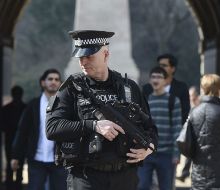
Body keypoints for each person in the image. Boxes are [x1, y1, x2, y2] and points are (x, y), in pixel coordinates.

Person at [45, 30, 157, 190]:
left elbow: (150, 127)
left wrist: (150, 147)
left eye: (89, 56)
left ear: (105, 54)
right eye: (80, 57)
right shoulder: (70, 90)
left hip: (125, 177)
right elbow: (52, 128)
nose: (83, 62)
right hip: (86, 177)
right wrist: (94, 125)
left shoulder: (129, 88)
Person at [11, 69, 67, 190]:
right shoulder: (33, 105)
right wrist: (15, 156)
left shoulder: (66, 105)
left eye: (57, 79)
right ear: (43, 83)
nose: (53, 82)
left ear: (60, 84)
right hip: (36, 159)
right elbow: (22, 131)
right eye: (50, 79)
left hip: (59, 161)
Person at [138, 66, 182, 190]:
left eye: (159, 77)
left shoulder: (173, 101)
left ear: (166, 81)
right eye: (153, 77)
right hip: (147, 152)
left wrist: (176, 154)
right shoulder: (145, 101)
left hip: (166, 154)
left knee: (166, 187)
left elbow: (177, 128)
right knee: (142, 185)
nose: (155, 79)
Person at [142, 53, 190, 125]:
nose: (161, 68)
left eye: (164, 65)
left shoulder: (181, 88)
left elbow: (185, 112)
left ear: (173, 68)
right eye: (160, 65)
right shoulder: (147, 88)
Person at [2, 85, 26, 190]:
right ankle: (16, 186)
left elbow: (2, 126)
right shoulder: (25, 108)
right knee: (18, 165)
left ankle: (10, 186)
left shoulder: (6, 109)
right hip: (18, 140)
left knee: (10, 165)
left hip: (11, 140)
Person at [176, 86, 200, 182]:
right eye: (190, 96)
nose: (191, 98)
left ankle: (185, 174)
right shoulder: (190, 107)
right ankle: (185, 174)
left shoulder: (200, 108)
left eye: (193, 95)